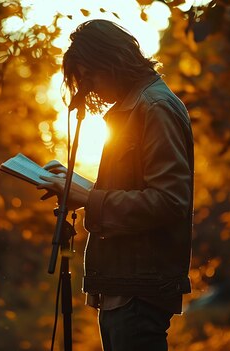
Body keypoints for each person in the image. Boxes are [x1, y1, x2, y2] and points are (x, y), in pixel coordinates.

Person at [37, 19, 194, 351]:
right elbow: (133, 188)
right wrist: (74, 184)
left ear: (112, 61)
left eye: (90, 75)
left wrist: (89, 200)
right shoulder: (134, 107)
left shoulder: (154, 107)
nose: (88, 86)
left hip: (138, 291)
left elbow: (169, 201)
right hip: (125, 287)